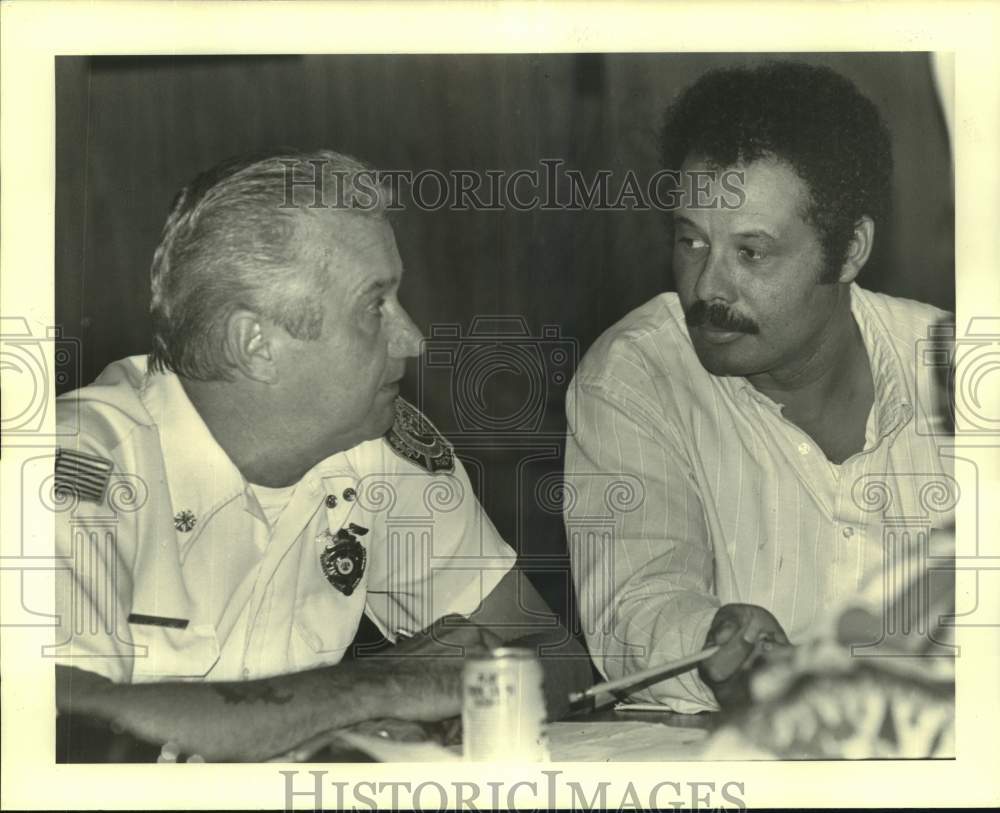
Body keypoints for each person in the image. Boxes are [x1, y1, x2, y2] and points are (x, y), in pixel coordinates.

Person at [53, 149, 590, 761]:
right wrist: (380, 688)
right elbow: (66, 729)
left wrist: (445, 705)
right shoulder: (77, 465)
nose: (412, 339)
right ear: (257, 345)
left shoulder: (374, 449)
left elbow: (553, 654)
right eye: (374, 306)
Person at [564, 62, 955, 713]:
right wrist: (713, 642)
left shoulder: (958, 372)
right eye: (691, 241)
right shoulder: (636, 377)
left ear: (850, 250)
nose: (708, 287)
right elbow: (637, 607)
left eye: (752, 252)